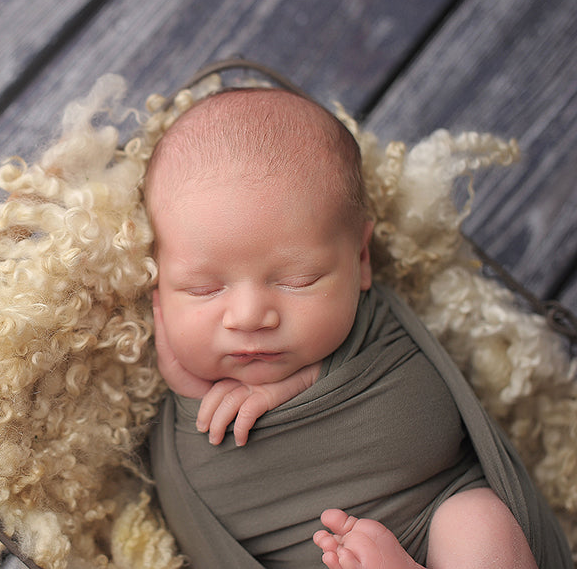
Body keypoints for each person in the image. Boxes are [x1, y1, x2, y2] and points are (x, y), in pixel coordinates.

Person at [144, 87, 565, 568]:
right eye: (202, 289)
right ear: (157, 286)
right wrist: (186, 386)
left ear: (361, 259)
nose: (248, 317)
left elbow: (424, 414)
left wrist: (291, 387)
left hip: (434, 526)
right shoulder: (165, 379)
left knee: (476, 519)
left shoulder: (377, 334)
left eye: (298, 280)